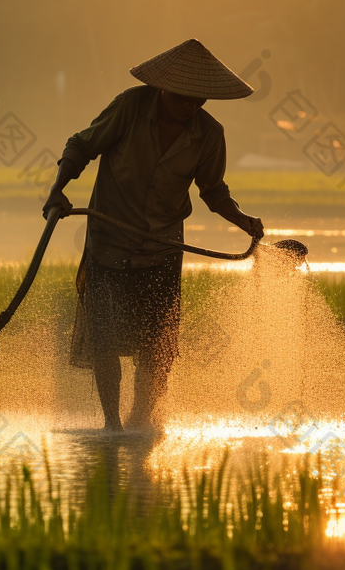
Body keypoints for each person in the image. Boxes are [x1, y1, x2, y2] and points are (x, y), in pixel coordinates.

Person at [43, 38, 264, 432]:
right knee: (105, 341)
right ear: (163, 87)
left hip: (162, 250)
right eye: (182, 97)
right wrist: (57, 189)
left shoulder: (209, 134)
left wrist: (242, 220)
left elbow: (213, 190)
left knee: (158, 348)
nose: (190, 106)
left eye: (199, 100)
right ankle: (112, 425)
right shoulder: (130, 107)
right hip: (109, 244)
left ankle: (141, 422)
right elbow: (82, 145)